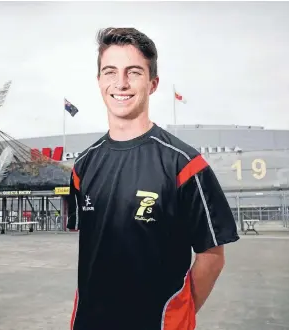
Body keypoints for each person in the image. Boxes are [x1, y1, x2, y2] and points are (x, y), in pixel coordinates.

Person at [67, 27, 240, 330]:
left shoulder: (184, 164)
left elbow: (212, 257)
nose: (120, 83)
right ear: (99, 82)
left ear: (153, 83)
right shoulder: (83, 166)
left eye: (133, 72)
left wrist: (176, 315)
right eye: (110, 72)